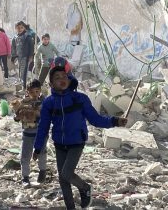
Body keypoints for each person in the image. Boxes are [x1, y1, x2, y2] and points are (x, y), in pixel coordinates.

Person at [33, 66, 128, 209]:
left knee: (66, 173)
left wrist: (115, 121)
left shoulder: (80, 98)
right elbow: (43, 126)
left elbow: (95, 119)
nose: (62, 80)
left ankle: (85, 188)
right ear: (51, 84)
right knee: (63, 179)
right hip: (59, 143)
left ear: (69, 79)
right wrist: (38, 147)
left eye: (64, 76)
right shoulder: (49, 102)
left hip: (76, 142)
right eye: (57, 78)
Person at [14, 79, 47, 186]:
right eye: (32, 92)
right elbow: (17, 116)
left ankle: (42, 171)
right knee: (25, 156)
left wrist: (37, 114)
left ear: (40, 91)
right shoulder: (23, 103)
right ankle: (25, 178)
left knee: (41, 153)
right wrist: (18, 117)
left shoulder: (44, 102)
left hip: (41, 133)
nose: (34, 94)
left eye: (37, 91)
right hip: (28, 133)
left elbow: (47, 117)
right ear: (27, 92)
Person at [11, 21, 34, 89]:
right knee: (20, 71)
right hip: (19, 57)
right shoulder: (15, 38)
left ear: (24, 28)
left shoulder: (27, 36)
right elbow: (13, 48)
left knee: (24, 72)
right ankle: (21, 84)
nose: (20, 29)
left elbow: (31, 47)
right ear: (16, 28)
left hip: (25, 56)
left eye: (21, 27)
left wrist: (31, 56)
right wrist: (13, 56)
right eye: (18, 28)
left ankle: (24, 87)